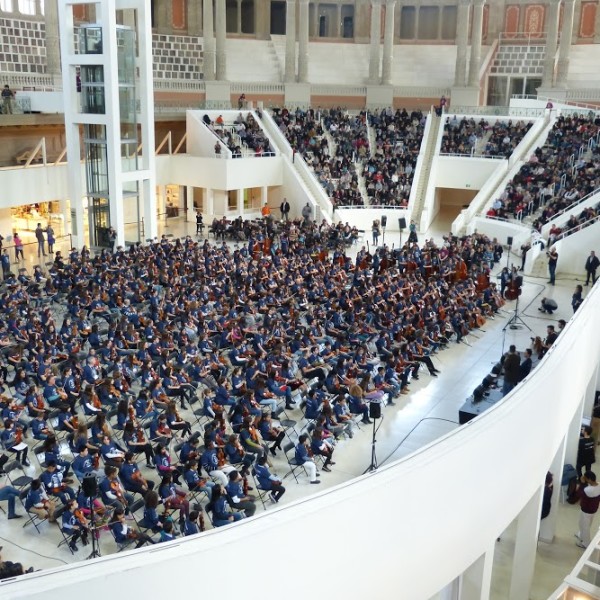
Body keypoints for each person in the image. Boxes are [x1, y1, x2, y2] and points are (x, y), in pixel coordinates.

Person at [576, 471, 600, 549]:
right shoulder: (599, 485)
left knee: (584, 525)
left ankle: (586, 543)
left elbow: (579, 494)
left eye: (585, 478)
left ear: (589, 479)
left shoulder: (588, 489)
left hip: (586, 510)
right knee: (585, 523)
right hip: (593, 509)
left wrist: (582, 483)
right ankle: (581, 534)